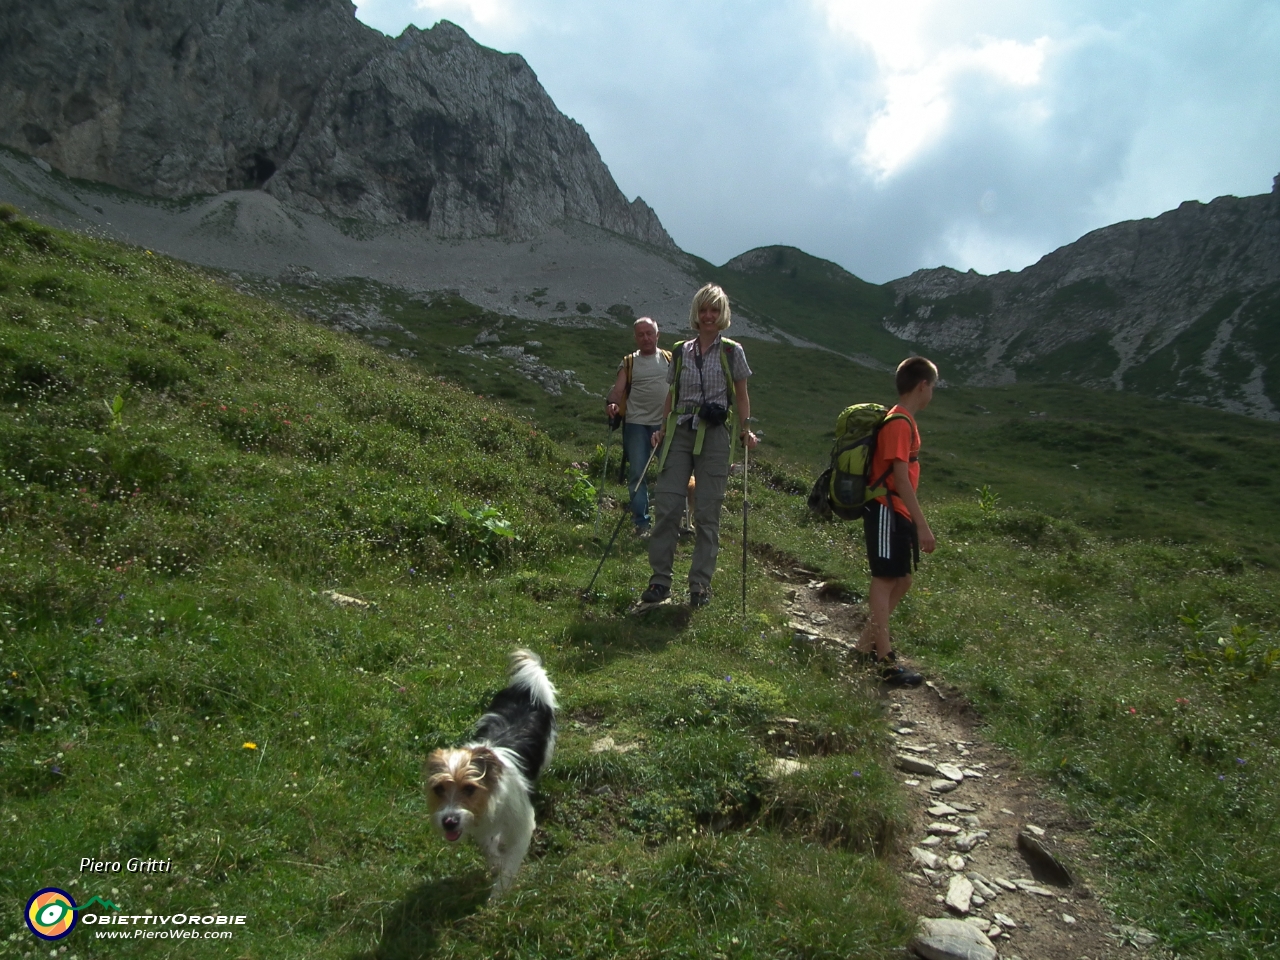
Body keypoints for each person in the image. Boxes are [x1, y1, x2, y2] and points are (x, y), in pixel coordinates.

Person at [641, 284, 758, 608]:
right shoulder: (680, 351)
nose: (709, 316)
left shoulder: (733, 351)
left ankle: (699, 586)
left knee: (708, 512)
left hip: (716, 434)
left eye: (715, 310)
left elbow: (743, 395)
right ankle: (659, 581)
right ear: (696, 313)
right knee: (667, 506)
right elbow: (671, 394)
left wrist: (745, 431)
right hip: (680, 430)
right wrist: (662, 428)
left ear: (723, 315)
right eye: (704, 310)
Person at [855, 357, 938, 685]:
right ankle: (885, 661)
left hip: (894, 510)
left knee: (901, 579)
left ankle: (864, 648)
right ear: (922, 386)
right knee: (886, 579)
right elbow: (901, 479)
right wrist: (922, 524)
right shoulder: (899, 423)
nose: (932, 393)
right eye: (932, 386)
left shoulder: (903, 421)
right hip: (886, 508)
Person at [605, 317, 671, 534]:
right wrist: (612, 404)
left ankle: (668, 521)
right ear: (635, 337)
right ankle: (641, 523)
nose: (646, 338)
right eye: (641, 334)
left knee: (671, 473)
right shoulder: (629, 362)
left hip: (665, 426)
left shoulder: (670, 360)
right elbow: (618, 390)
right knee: (637, 473)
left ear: (657, 335)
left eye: (649, 333)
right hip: (636, 424)